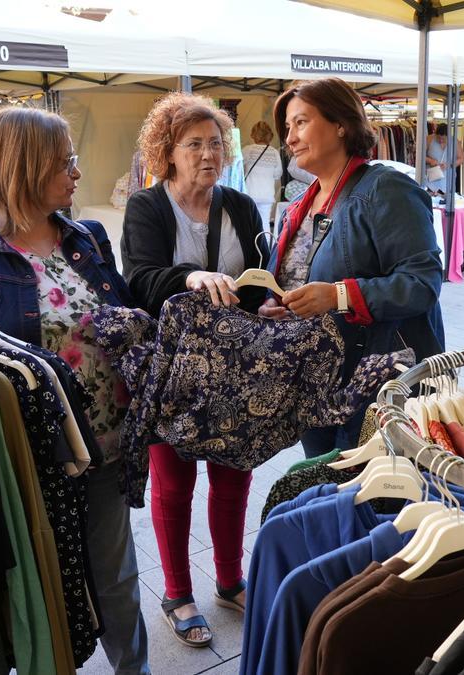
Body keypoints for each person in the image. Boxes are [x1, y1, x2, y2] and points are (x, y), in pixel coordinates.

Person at [0, 107, 150, 673]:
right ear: (26, 165)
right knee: (37, 585)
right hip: (19, 464)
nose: (77, 174)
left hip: (105, 448)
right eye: (66, 161)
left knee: (115, 580)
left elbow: (118, 319)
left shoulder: (85, 239)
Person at [121, 92, 270, 648]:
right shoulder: (148, 207)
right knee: (174, 481)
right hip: (173, 369)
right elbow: (139, 278)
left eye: (216, 144)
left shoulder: (241, 205)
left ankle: (231, 580)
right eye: (194, 145)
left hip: (236, 367)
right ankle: (178, 593)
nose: (208, 155)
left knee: (235, 473)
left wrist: (267, 299)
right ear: (168, 151)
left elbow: (258, 275)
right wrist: (189, 278)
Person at [263, 77, 444, 457]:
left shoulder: (385, 189)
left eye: (300, 122)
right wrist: (274, 305)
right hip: (317, 381)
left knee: (372, 499)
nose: (290, 138)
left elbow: (422, 283)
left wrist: (337, 296)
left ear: (340, 124)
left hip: (376, 383)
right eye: (287, 128)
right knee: (325, 492)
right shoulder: (300, 205)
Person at [241, 120, 280, 229]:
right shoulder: (274, 153)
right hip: (267, 195)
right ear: (269, 135)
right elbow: (278, 174)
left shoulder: (248, 150)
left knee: (249, 224)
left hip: (250, 194)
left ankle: (250, 246)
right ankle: (264, 246)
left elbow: (237, 168)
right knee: (264, 224)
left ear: (254, 134)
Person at [424, 122, 461, 193]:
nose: (440, 140)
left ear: (448, 136)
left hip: (448, 179)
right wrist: (430, 160)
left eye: (443, 139)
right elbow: (420, 156)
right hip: (431, 179)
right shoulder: (429, 139)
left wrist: (449, 165)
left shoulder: (455, 141)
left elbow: (461, 158)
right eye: (438, 138)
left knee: (446, 200)